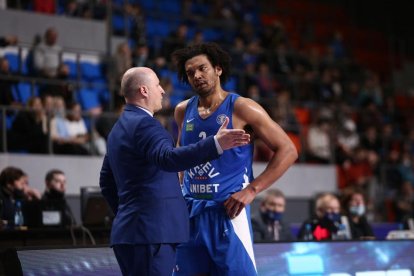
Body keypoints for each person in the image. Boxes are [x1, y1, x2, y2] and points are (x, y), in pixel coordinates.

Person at [99, 66, 250, 276]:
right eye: (158, 85)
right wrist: (215, 143)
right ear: (144, 91)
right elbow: (168, 158)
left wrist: (130, 214)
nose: (162, 91)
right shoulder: (146, 125)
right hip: (152, 234)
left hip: (131, 233)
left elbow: (106, 182)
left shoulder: (118, 129)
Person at [171, 42, 297, 275]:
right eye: (190, 73)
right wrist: (177, 191)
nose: (197, 76)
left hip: (228, 212)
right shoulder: (182, 110)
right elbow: (180, 156)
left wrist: (252, 189)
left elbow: (288, 150)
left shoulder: (243, 108)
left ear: (218, 69)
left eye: (202, 68)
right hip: (189, 213)